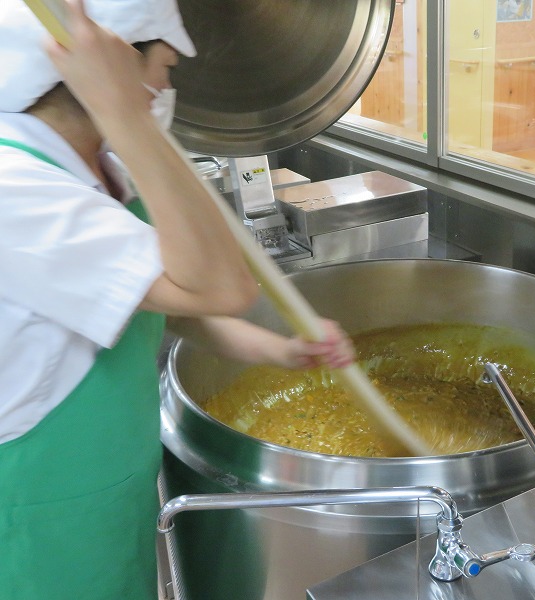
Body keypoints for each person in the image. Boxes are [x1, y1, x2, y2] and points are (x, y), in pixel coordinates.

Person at [0, 1, 354, 598]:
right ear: (113, 68)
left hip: (107, 482)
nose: (168, 89)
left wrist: (280, 350)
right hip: (40, 505)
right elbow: (222, 286)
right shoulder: (16, 187)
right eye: (164, 67)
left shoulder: (103, 166)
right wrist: (126, 115)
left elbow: (160, 302)